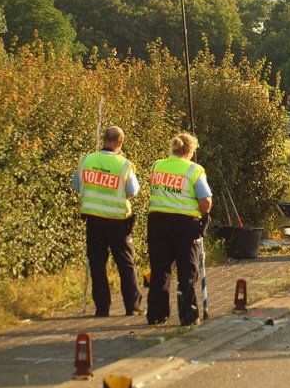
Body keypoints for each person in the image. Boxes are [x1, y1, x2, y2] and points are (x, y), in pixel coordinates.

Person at [73, 125, 143, 317]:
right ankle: (132, 307)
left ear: (104, 140)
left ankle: (102, 308)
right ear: (120, 142)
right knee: (125, 263)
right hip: (117, 221)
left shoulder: (87, 160)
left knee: (97, 264)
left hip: (93, 219)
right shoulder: (124, 165)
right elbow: (132, 192)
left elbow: (77, 185)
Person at [146, 133, 213, 326]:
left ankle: (157, 315)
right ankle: (188, 317)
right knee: (187, 272)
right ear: (190, 150)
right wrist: (205, 216)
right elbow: (205, 200)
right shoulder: (194, 170)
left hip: (157, 221)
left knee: (160, 270)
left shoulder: (157, 166)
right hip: (185, 225)